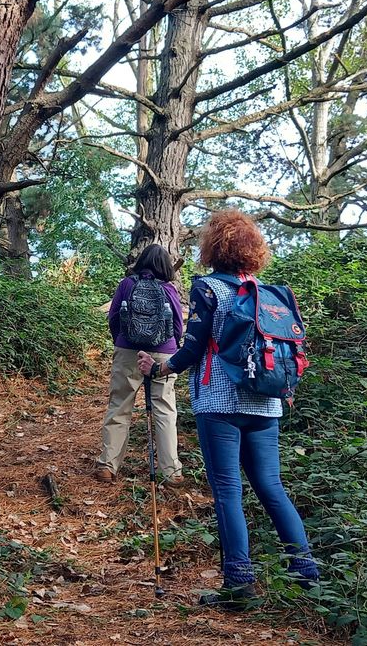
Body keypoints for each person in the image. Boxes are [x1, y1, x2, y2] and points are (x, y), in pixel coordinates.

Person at [136, 210, 318, 608]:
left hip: (220, 403)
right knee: (271, 487)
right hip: (267, 402)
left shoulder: (209, 289)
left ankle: (240, 586)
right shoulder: (267, 294)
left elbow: (193, 346)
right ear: (253, 250)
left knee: (228, 493)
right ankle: (306, 575)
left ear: (213, 247)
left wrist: (160, 368)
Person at [95, 243, 184, 488]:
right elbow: (177, 324)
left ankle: (107, 465)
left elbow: (113, 317)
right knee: (165, 409)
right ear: (166, 265)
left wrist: (121, 342)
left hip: (128, 351)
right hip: (163, 353)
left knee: (119, 406)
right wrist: (171, 347)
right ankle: (171, 471)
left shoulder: (127, 285)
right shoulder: (169, 289)